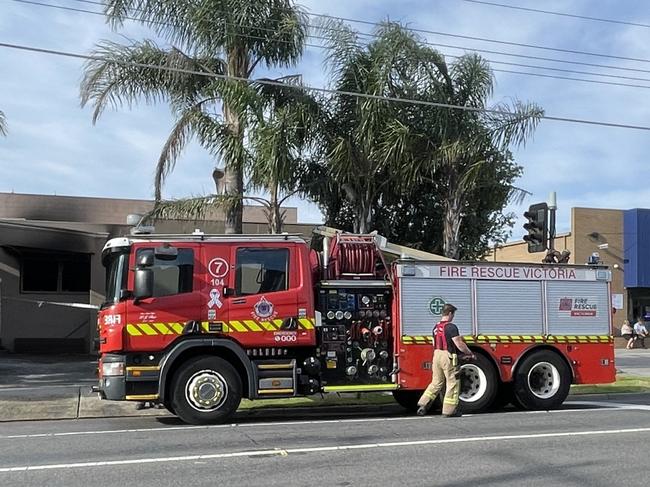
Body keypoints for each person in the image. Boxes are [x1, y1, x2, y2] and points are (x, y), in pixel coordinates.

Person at [416, 303, 476, 418]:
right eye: (453, 314)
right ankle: (449, 410)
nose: (453, 317)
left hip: (436, 354)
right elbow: (459, 344)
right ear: (450, 313)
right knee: (452, 382)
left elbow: (434, 343)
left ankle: (423, 404)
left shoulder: (435, 327)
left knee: (436, 382)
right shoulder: (451, 327)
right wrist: (469, 353)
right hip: (447, 356)